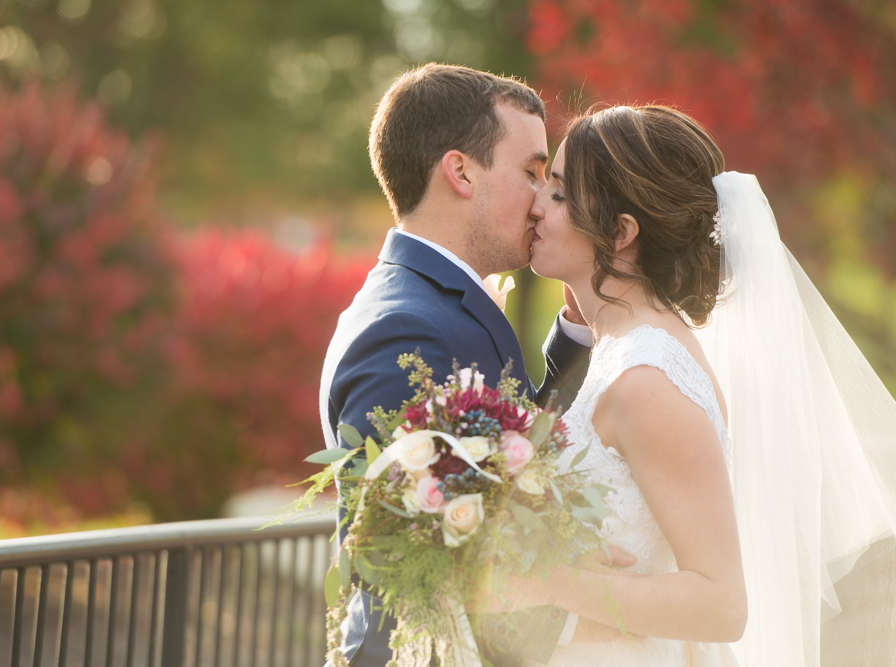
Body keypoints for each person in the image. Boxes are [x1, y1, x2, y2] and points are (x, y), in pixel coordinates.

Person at [484, 104, 896, 667]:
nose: (534, 205)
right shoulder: (620, 351)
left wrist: (547, 581)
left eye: (557, 194)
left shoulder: (645, 381)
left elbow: (719, 604)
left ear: (620, 232)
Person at [318, 64, 631, 666]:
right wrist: (593, 622)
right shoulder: (403, 329)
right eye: (533, 172)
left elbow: (510, 455)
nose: (545, 198)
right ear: (460, 171)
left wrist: (574, 337)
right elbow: (420, 550)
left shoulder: (438, 303)